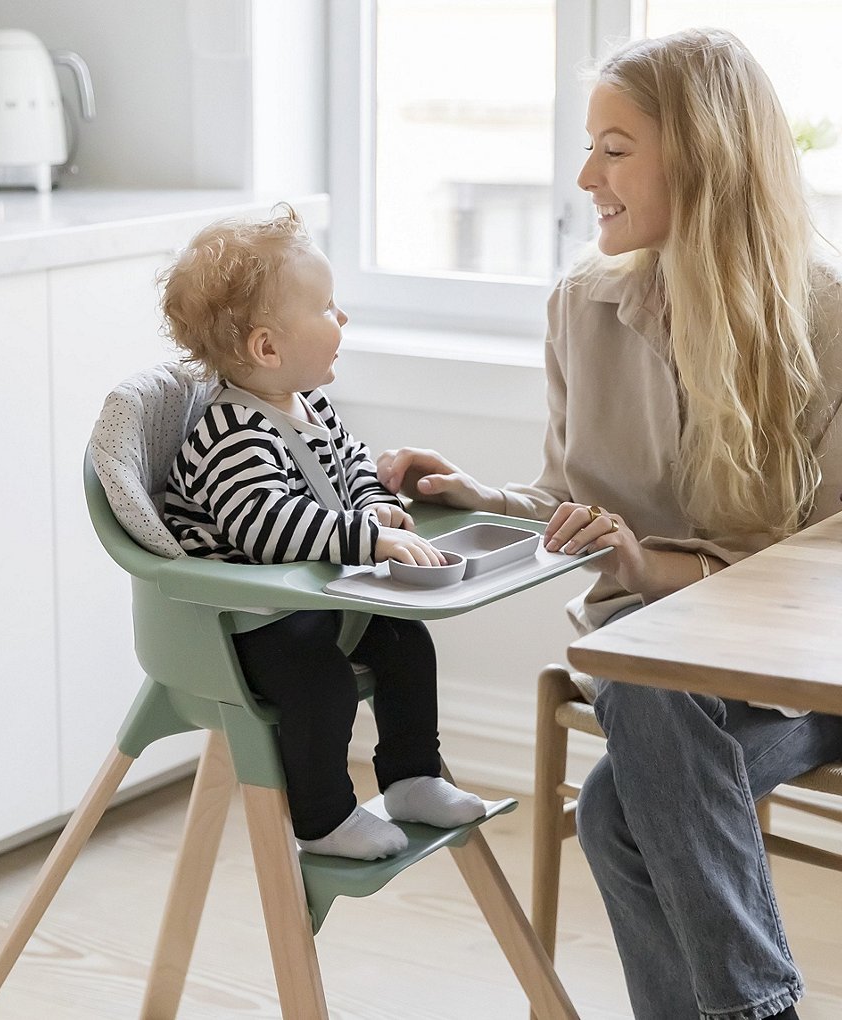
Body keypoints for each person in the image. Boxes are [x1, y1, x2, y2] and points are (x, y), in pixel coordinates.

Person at [378, 28, 842, 1020]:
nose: (586, 177)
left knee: (614, 802)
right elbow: (574, 506)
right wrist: (482, 497)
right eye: (589, 148)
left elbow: (826, 570)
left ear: (705, 157)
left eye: (615, 149)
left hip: (795, 678)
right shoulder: (579, 308)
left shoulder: (828, 318)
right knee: (638, 705)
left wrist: (646, 568)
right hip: (655, 672)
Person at [160, 207, 485, 862]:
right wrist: (369, 541)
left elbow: (352, 467)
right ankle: (324, 818)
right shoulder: (232, 432)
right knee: (321, 682)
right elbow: (266, 527)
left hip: (309, 598)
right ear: (268, 348)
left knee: (405, 640)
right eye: (328, 308)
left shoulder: (310, 406)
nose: (344, 318)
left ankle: (411, 778)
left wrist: (378, 507)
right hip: (245, 619)